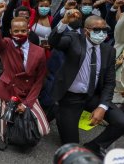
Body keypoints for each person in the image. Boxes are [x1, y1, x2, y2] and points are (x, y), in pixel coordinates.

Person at [49, 13, 124, 159]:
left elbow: (109, 82)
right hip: (70, 99)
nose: (101, 33)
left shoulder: (109, 50)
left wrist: (102, 107)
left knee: (121, 122)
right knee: (72, 147)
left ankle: (94, 147)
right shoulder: (73, 39)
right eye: (97, 29)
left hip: (92, 96)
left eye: (104, 29)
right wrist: (63, 22)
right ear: (86, 31)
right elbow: (54, 42)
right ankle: (60, 113)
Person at [0, 4, 50, 148]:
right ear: (10, 32)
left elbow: (39, 79)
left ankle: (26, 130)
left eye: (23, 30)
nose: (20, 33)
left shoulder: (39, 51)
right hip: (8, 91)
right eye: (16, 31)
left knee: (43, 129)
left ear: (28, 31)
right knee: (6, 136)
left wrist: (27, 103)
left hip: (28, 93)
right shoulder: (6, 45)